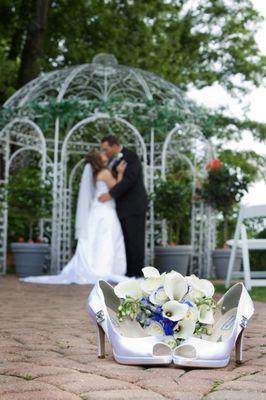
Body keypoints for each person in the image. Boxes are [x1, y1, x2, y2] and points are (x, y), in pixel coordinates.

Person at [22, 150, 127, 284]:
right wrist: (120, 172)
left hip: (96, 211)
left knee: (96, 240)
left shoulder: (94, 175)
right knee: (107, 239)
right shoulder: (105, 173)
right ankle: (105, 268)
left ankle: (95, 266)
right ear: (98, 160)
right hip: (105, 211)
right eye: (101, 154)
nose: (104, 154)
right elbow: (117, 188)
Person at [100, 135, 148, 277]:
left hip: (134, 206)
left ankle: (137, 274)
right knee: (126, 241)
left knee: (136, 241)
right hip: (120, 208)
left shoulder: (131, 157)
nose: (105, 152)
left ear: (115, 146)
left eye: (106, 149)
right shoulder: (111, 160)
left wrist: (111, 194)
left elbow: (129, 180)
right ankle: (129, 273)